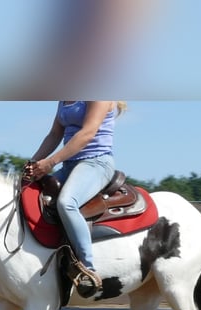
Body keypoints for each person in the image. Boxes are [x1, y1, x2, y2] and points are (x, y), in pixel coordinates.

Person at [26, 100, 126, 296]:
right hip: (70, 165)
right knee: (31, 194)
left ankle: (87, 269)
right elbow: (55, 134)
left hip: (97, 162)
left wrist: (51, 162)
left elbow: (87, 134)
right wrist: (33, 162)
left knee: (66, 203)